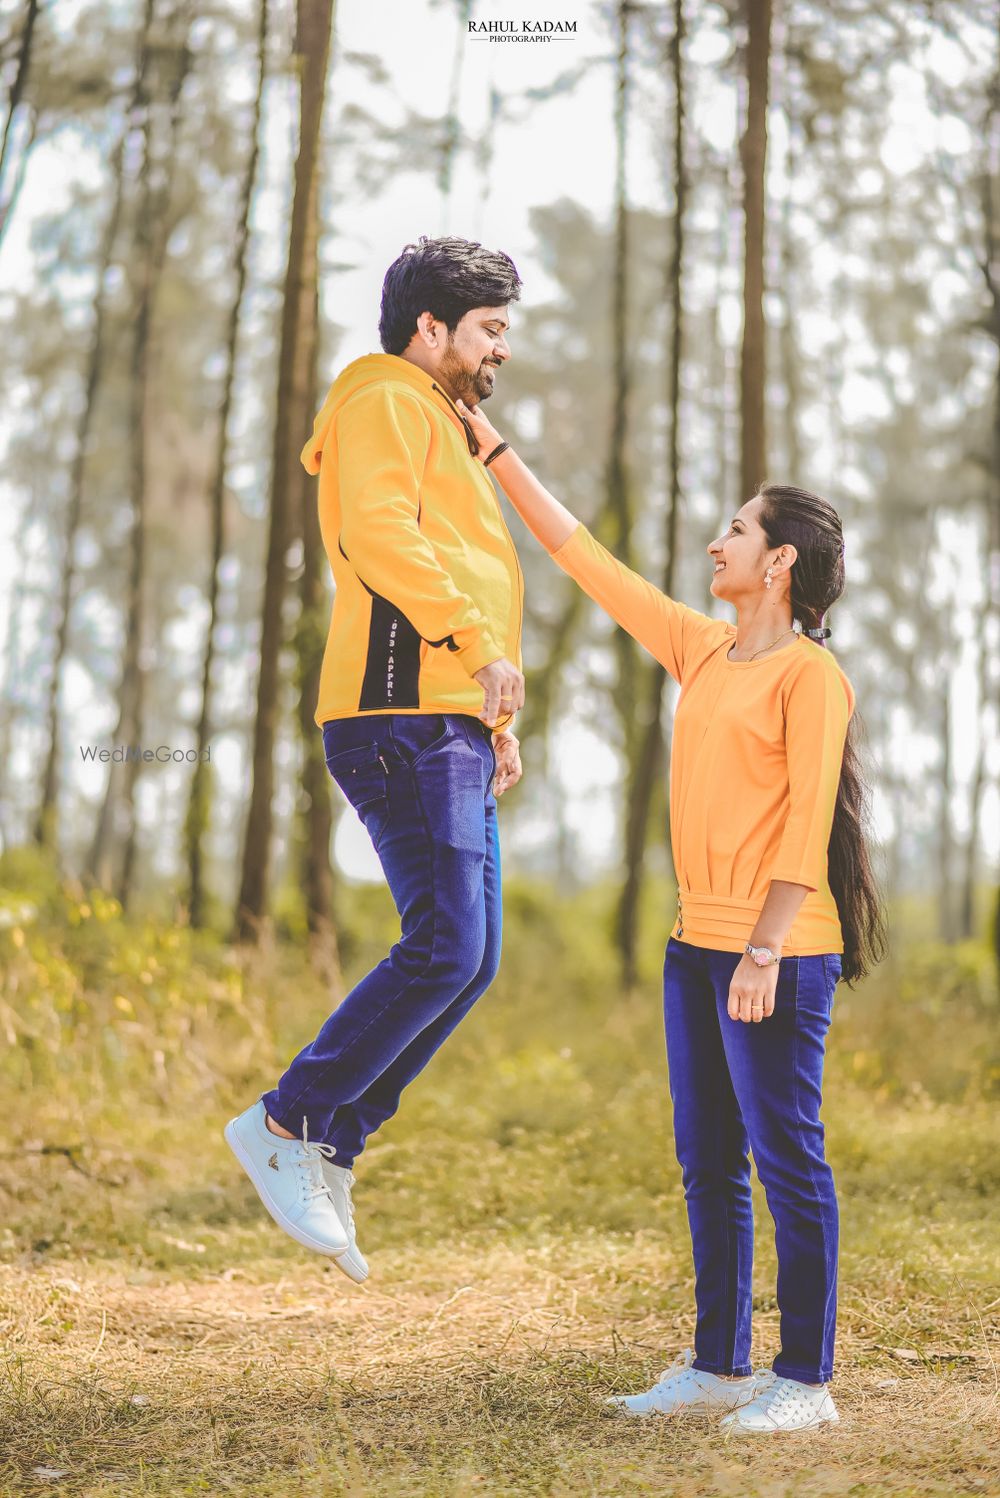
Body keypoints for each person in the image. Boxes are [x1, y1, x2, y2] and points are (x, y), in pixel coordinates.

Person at [456, 395, 887, 1435]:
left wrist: (767, 944)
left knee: (786, 1152)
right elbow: (585, 557)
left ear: (779, 560)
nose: (716, 540)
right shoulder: (702, 649)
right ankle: (716, 1361)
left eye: (736, 529)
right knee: (706, 1155)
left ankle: (805, 1379)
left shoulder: (810, 675)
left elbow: (804, 816)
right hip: (695, 943)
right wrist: (497, 452)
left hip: (776, 949)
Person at [226, 237, 526, 1284]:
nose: (499, 351)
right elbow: (380, 537)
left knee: (473, 956)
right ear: (429, 327)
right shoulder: (386, 399)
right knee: (445, 944)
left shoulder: (430, 416)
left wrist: (493, 706)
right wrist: (477, 650)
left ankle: (333, 1141)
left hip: (445, 714)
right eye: (488, 330)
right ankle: (285, 1119)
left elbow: (458, 557)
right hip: (398, 710)